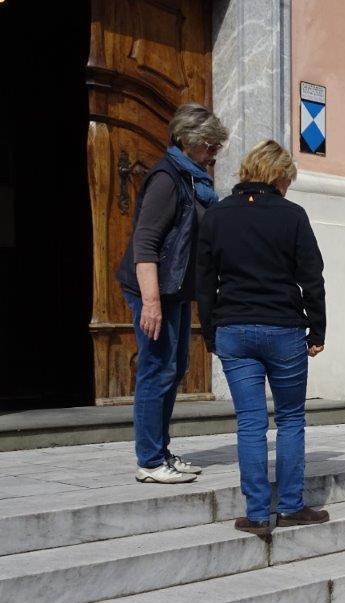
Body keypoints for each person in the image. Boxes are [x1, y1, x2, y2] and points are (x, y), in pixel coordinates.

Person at [196, 140, 329, 535]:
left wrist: (210, 332)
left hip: (234, 330)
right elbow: (311, 277)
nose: (287, 187)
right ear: (277, 176)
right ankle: (290, 505)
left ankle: (256, 514)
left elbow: (204, 281)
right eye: (287, 180)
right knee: (290, 419)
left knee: (250, 423)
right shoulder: (293, 215)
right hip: (283, 329)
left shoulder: (218, 215)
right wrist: (317, 329)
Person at [117, 103, 229, 484]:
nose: (214, 152)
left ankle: (161, 451)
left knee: (174, 368)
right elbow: (145, 243)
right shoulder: (167, 179)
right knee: (157, 369)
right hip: (154, 292)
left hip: (175, 291)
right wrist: (150, 303)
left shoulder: (193, 180)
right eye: (209, 144)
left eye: (217, 145)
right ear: (187, 140)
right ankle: (149, 461)